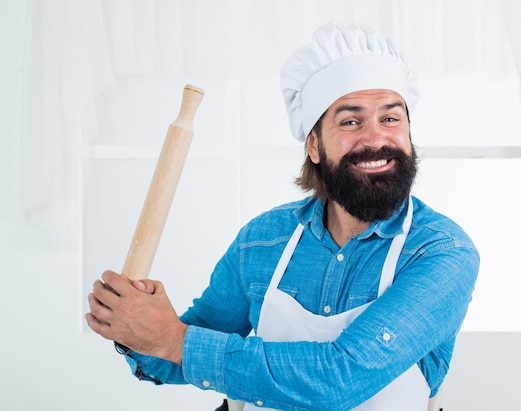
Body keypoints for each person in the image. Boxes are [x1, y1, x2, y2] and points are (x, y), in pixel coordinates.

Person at [86, 22, 479, 411]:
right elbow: (171, 357)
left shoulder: (442, 253)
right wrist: (133, 323)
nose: (375, 138)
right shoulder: (263, 240)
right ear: (313, 144)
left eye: (391, 119)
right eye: (350, 121)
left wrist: (171, 338)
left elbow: (338, 379)